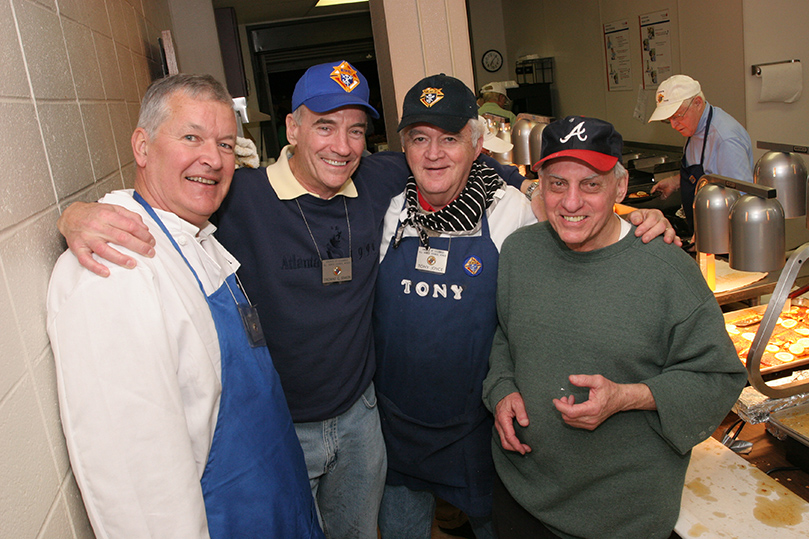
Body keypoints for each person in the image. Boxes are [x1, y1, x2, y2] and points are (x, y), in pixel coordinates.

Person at [56, 63, 675, 537]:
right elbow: (162, 200)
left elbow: (530, 188)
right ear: (292, 128)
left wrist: (622, 217)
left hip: (372, 423)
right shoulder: (232, 196)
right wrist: (81, 214)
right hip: (295, 429)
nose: (341, 146)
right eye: (323, 126)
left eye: (356, 130)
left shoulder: (393, 181)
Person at [46, 74, 322, 538]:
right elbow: (139, 491)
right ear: (142, 146)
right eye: (191, 137)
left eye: (226, 144)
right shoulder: (116, 269)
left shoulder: (198, 239)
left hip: (279, 509)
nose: (212, 159)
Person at [482, 116, 747, 539]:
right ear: (540, 184)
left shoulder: (667, 271)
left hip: (621, 516)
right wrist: (502, 390)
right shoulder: (519, 252)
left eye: (591, 184)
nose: (571, 203)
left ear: (620, 188)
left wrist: (628, 397)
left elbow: (720, 378)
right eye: (557, 184)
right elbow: (506, 337)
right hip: (519, 493)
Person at [373, 75, 536, 539]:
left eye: (450, 139)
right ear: (403, 147)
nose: (433, 153)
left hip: (479, 432)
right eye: (419, 139)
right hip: (397, 429)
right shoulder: (386, 209)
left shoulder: (510, 212)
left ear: (477, 143)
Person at [648, 74, 754, 231]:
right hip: (702, 229)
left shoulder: (725, 139)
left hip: (724, 237)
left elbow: (742, 202)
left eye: (677, 116)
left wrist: (710, 237)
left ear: (697, 103)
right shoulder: (694, 127)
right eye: (668, 119)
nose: (673, 125)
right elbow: (708, 172)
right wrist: (676, 182)